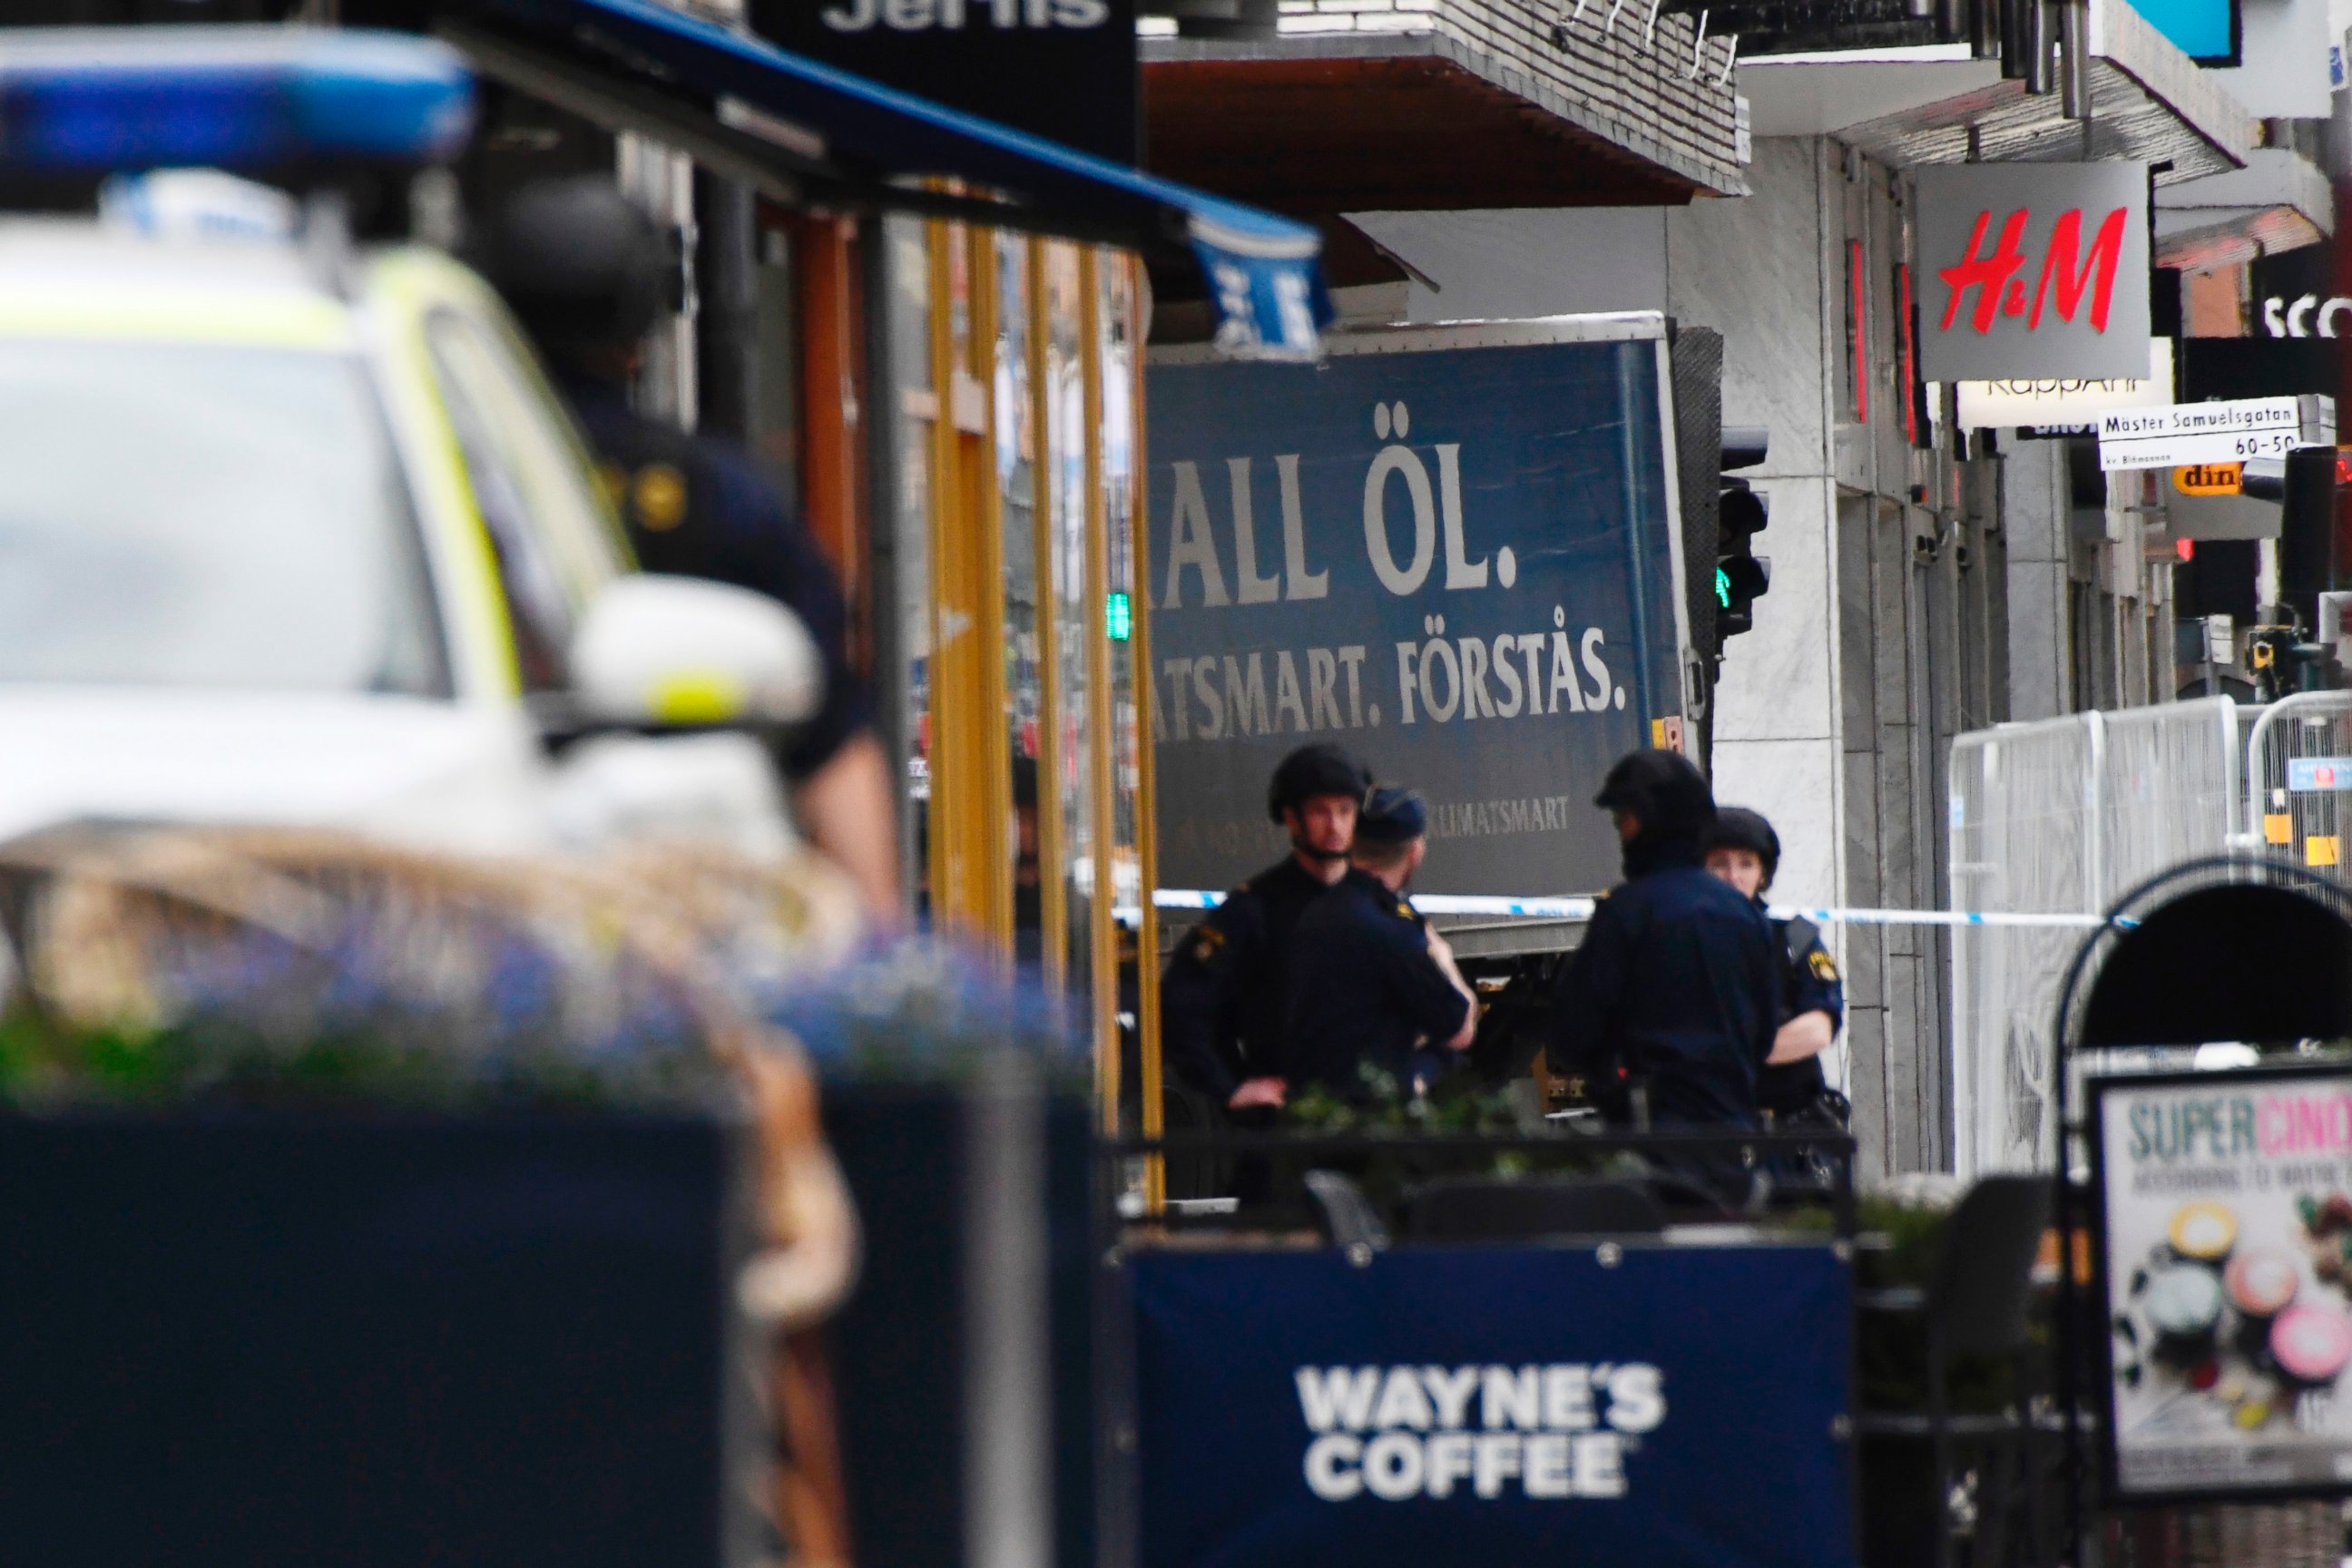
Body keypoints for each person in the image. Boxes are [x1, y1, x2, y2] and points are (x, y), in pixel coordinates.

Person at [468, 176, 899, 923]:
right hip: (690, 914)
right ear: (645, 326)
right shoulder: (720, 499)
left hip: (464, 897)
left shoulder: (426, 477)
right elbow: (831, 748)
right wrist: (883, 958)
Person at [1548, 750, 1780, 1132]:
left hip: (1649, 1139)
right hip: (1732, 1132)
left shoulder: (1626, 912)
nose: (1621, 833)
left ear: (1647, 823)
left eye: (1625, 820)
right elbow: (1763, 1034)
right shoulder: (1746, 917)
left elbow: (1572, 1033)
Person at [1159, 743, 1371, 1114]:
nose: (1335, 825)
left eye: (1345, 810)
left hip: (1370, 1121)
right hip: (1286, 1126)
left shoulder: (1380, 904)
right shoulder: (1254, 910)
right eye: (1320, 811)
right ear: (1291, 818)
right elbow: (1180, 1004)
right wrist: (1229, 1087)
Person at [1281, 786, 1478, 1101]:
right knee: (1444, 1056)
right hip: (1369, 1119)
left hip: (1305, 1112)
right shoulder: (1393, 929)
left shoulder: (1308, 912)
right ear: (1415, 851)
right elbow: (1459, 1030)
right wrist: (1444, 959)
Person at [1703, 808, 1847, 1128]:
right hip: (1707, 1131)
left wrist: (1736, 1056)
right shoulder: (1676, 937)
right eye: (1719, 864)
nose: (1733, 876)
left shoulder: (1794, 936)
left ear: (1763, 874)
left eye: (1746, 863)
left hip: (1786, 1134)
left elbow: (1819, 1027)